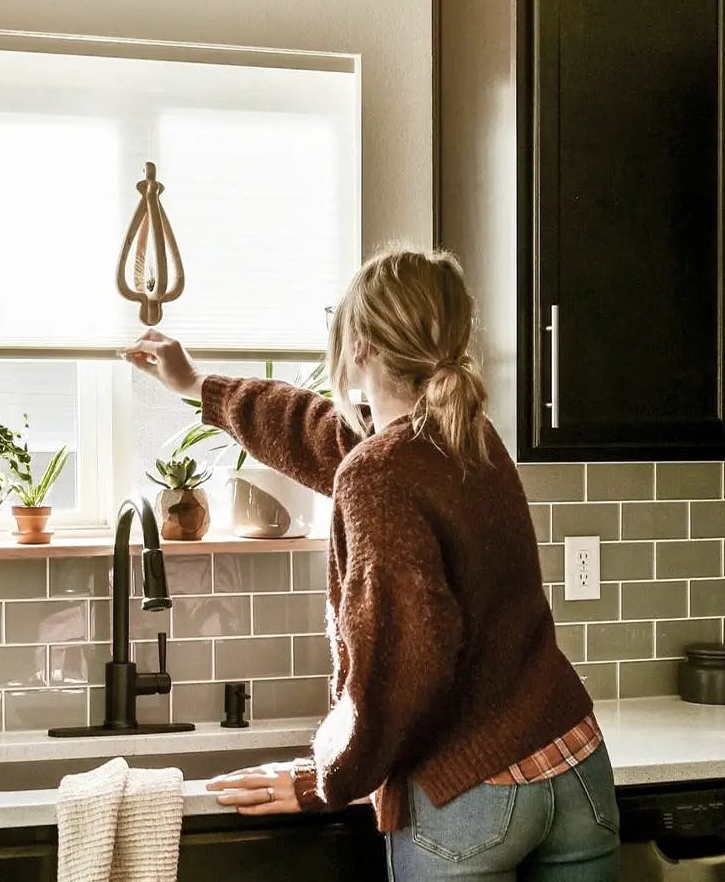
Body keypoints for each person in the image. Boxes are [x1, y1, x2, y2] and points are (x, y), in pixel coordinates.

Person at [121, 248, 620, 880]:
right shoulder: (467, 434)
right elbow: (316, 430)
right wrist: (199, 386)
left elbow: (400, 660)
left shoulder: (380, 471)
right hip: (574, 764)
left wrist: (324, 780)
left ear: (356, 345)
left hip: (470, 794)